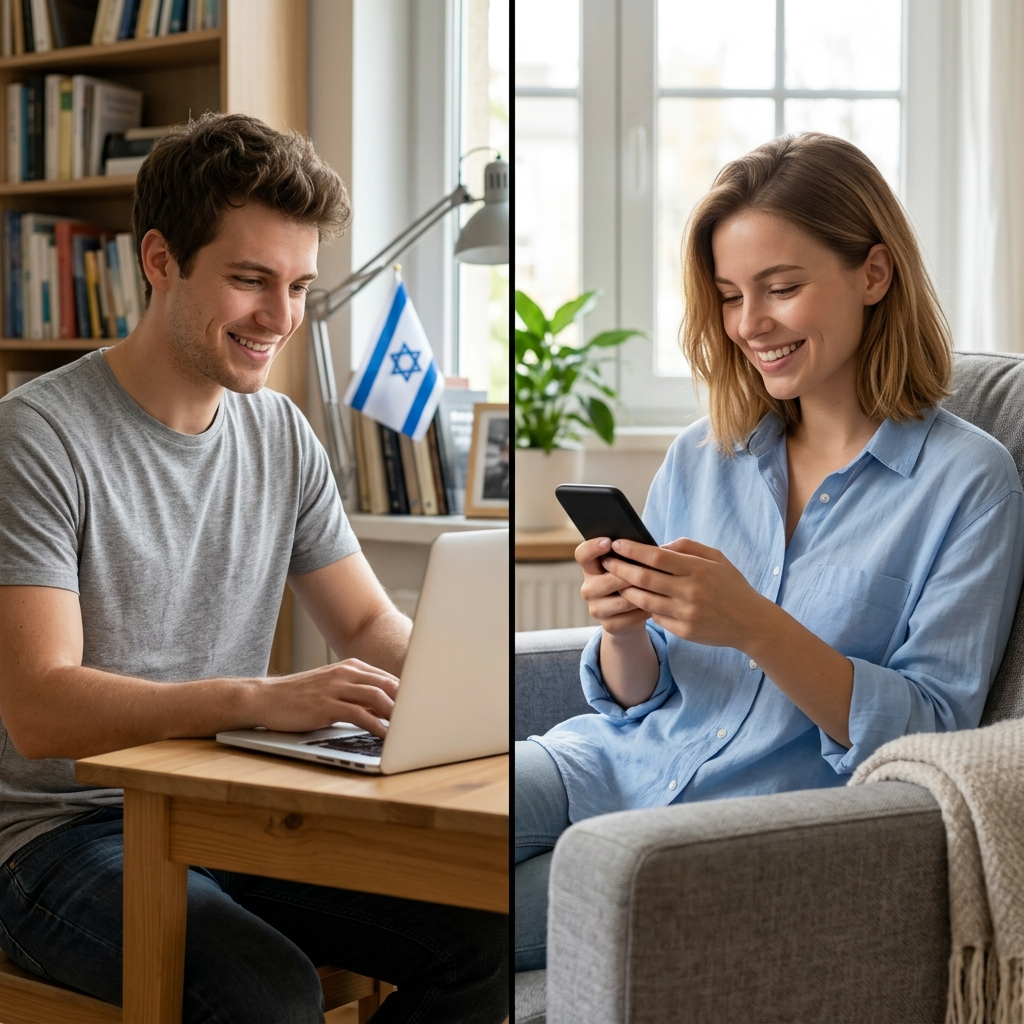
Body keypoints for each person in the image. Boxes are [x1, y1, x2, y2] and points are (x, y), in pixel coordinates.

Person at [0, 112, 507, 1024]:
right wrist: (254, 698)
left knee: (489, 939)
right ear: (160, 260)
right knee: (266, 994)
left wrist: (465, 688)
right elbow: (41, 710)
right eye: (250, 281)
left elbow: (363, 625)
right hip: (55, 838)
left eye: (300, 284)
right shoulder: (38, 438)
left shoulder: (279, 433)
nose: (280, 318)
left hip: (224, 812)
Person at [515, 132, 1024, 972]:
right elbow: (640, 700)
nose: (750, 325)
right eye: (727, 295)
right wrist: (624, 630)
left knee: (464, 922)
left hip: (736, 833)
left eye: (781, 288)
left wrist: (757, 627)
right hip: (600, 766)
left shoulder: (971, 482)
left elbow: (933, 733)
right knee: (407, 840)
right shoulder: (704, 452)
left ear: (874, 273)